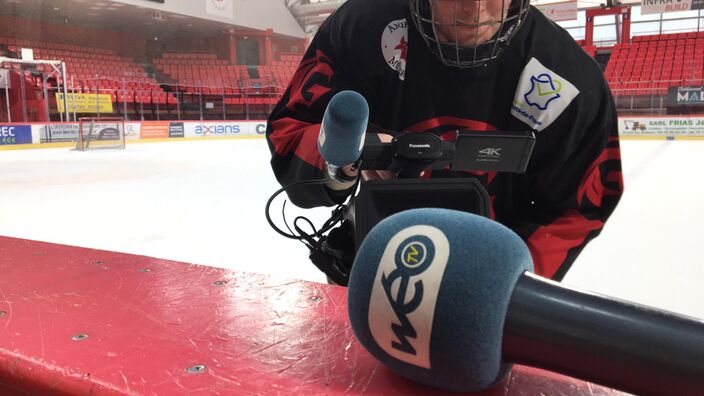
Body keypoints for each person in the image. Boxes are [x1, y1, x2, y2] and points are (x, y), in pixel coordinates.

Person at [266, 0, 623, 281]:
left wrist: (511, 280)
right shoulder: (361, 28)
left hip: (488, 275)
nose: (473, 8)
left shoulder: (571, 80)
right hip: (370, 260)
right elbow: (291, 131)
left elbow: (580, 208)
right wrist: (344, 164)